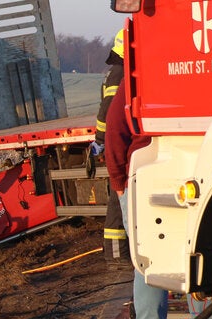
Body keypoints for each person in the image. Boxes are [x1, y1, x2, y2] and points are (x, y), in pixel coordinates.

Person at [104, 78, 169, 319]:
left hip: (143, 172)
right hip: (190, 165)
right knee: (193, 250)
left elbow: (115, 130)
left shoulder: (137, 75)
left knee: (147, 258)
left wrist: (118, 179)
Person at [91, 29, 132, 270]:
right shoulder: (118, 74)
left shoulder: (118, 72)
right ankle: (116, 255)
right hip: (115, 140)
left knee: (120, 196)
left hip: (114, 139)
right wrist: (101, 139)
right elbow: (108, 112)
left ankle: (118, 253)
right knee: (118, 198)